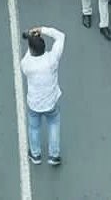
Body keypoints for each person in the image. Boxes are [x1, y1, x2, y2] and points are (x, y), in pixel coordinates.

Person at [20, 26, 65, 167]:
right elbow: (60, 36)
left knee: (34, 128)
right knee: (54, 123)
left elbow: (29, 55)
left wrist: (30, 39)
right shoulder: (52, 59)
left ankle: (36, 154)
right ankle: (54, 155)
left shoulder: (27, 64)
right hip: (51, 102)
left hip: (34, 103)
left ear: (31, 49)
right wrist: (42, 29)